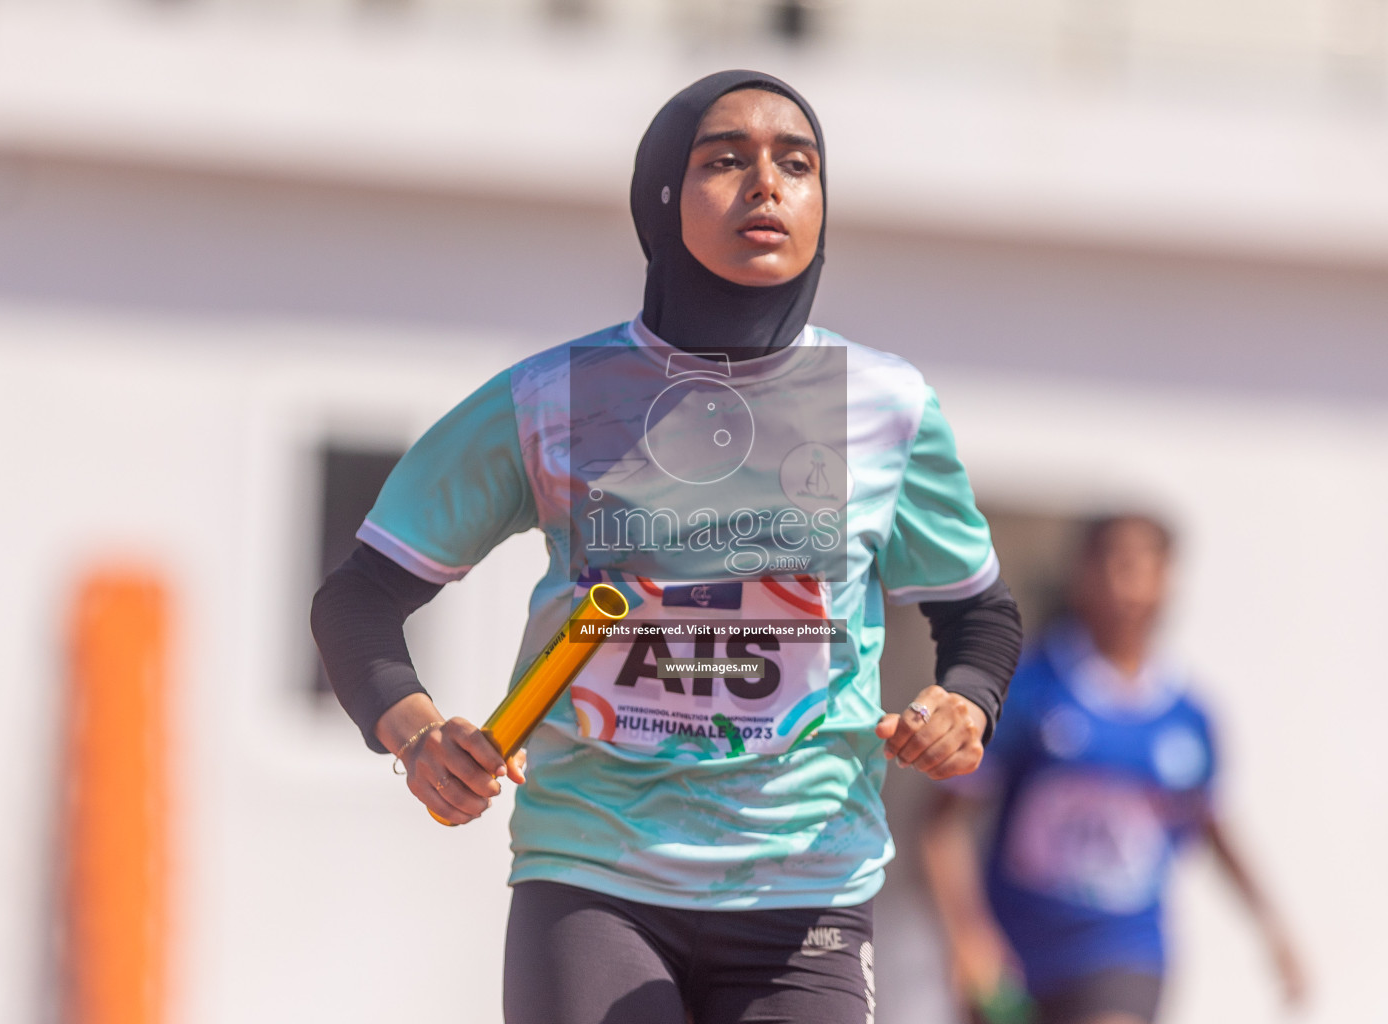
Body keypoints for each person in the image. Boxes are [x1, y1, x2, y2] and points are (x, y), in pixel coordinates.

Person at [312, 70, 1023, 1024]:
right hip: (594, 877)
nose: (766, 186)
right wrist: (417, 735)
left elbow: (980, 616)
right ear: (660, 199)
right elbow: (357, 600)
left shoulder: (888, 406)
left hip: (807, 885)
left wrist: (965, 704)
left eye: (797, 165)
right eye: (725, 161)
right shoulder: (552, 396)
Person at [920, 515, 1307, 1024]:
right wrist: (968, 938)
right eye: (1115, 565)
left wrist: (1273, 929)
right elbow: (941, 827)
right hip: (1016, 957)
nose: (1128, 586)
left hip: (1125, 949)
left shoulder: (1188, 717)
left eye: (1146, 568)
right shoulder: (1030, 691)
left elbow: (1213, 826)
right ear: (1081, 576)